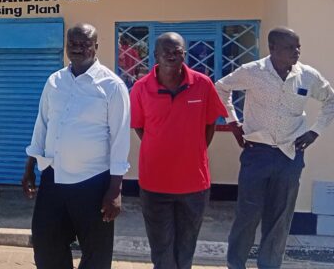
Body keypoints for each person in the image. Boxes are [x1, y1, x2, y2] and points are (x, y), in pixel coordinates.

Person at [216, 27, 334, 269]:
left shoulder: (307, 75)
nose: (297, 51)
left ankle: (269, 265)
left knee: (280, 217)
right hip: (257, 153)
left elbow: (330, 100)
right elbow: (221, 87)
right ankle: (235, 264)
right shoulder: (252, 71)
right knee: (247, 215)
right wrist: (233, 122)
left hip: (289, 156)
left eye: (298, 46)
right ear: (272, 48)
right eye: (290, 47)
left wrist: (315, 131)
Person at [22, 23, 130, 269]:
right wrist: (30, 167)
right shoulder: (55, 81)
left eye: (85, 44)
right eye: (73, 43)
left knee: (96, 253)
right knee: (46, 245)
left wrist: (115, 190)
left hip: (93, 182)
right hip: (53, 178)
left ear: (96, 47)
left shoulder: (112, 86)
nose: (78, 48)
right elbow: (42, 125)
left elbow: (120, 139)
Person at [130, 33, 227, 269]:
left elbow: (210, 124)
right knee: (161, 251)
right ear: (156, 55)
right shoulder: (141, 88)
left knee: (185, 251)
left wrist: (192, 150)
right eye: (167, 51)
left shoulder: (203, 84)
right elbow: (140, 127)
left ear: (184, 54)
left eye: (178, 51)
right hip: (154, 183)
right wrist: (162, 145)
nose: (172, 56)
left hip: (194, 184)